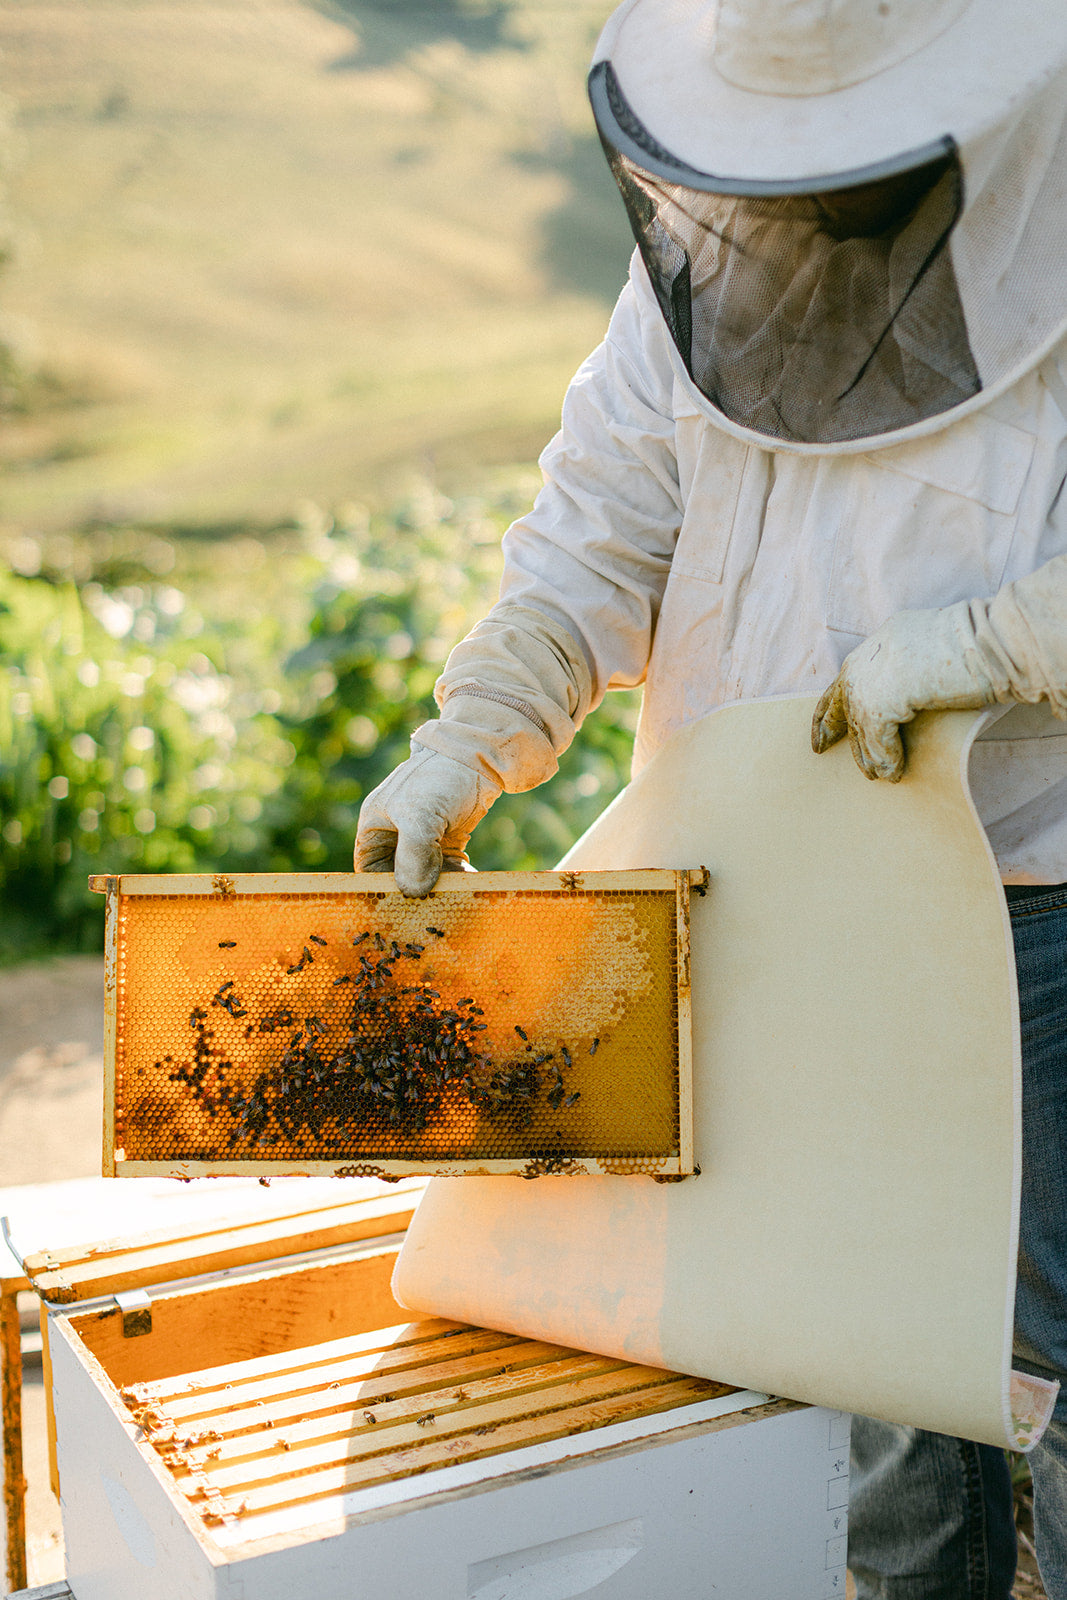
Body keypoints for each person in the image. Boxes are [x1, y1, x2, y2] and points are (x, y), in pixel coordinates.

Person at [355, 1, 1067, 1593]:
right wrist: (470, 737)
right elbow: (595, 533)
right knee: (859, 1329)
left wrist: (992, 645)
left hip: (1027, 904)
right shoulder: (705, 252)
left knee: (1054, 1341)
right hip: (767, 894)